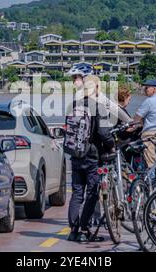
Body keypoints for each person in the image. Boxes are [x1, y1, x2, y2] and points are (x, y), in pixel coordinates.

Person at [66, 75, 115, 243]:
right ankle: (85, 228)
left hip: (75, 153)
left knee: (77, 193)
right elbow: (103, 133)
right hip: (92, 155)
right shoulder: (98, 106)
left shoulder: (74, 105)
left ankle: (73, 230)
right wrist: (111, 145)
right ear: (97, 88)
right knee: (92, 193)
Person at [133, 79, 156, 167]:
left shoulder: (149, 101)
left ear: (154, 89)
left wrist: (131, 127)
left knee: (151, 163)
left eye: (147, 88)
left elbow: (136, 119)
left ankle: (152, 180)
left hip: (150, 135)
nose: (145, 90)